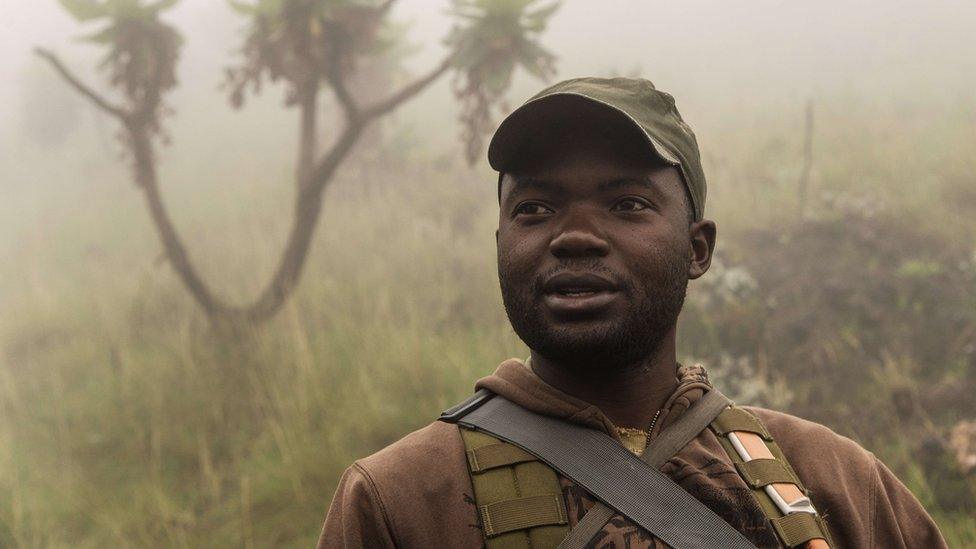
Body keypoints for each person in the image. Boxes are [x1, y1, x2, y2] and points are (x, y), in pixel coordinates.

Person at [316, 77, 946, 548]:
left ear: (696, 249)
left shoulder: (836, 480)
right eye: (535, 208)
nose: (575, 236)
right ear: (500, 244)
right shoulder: (399, 500)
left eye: (628, 203)